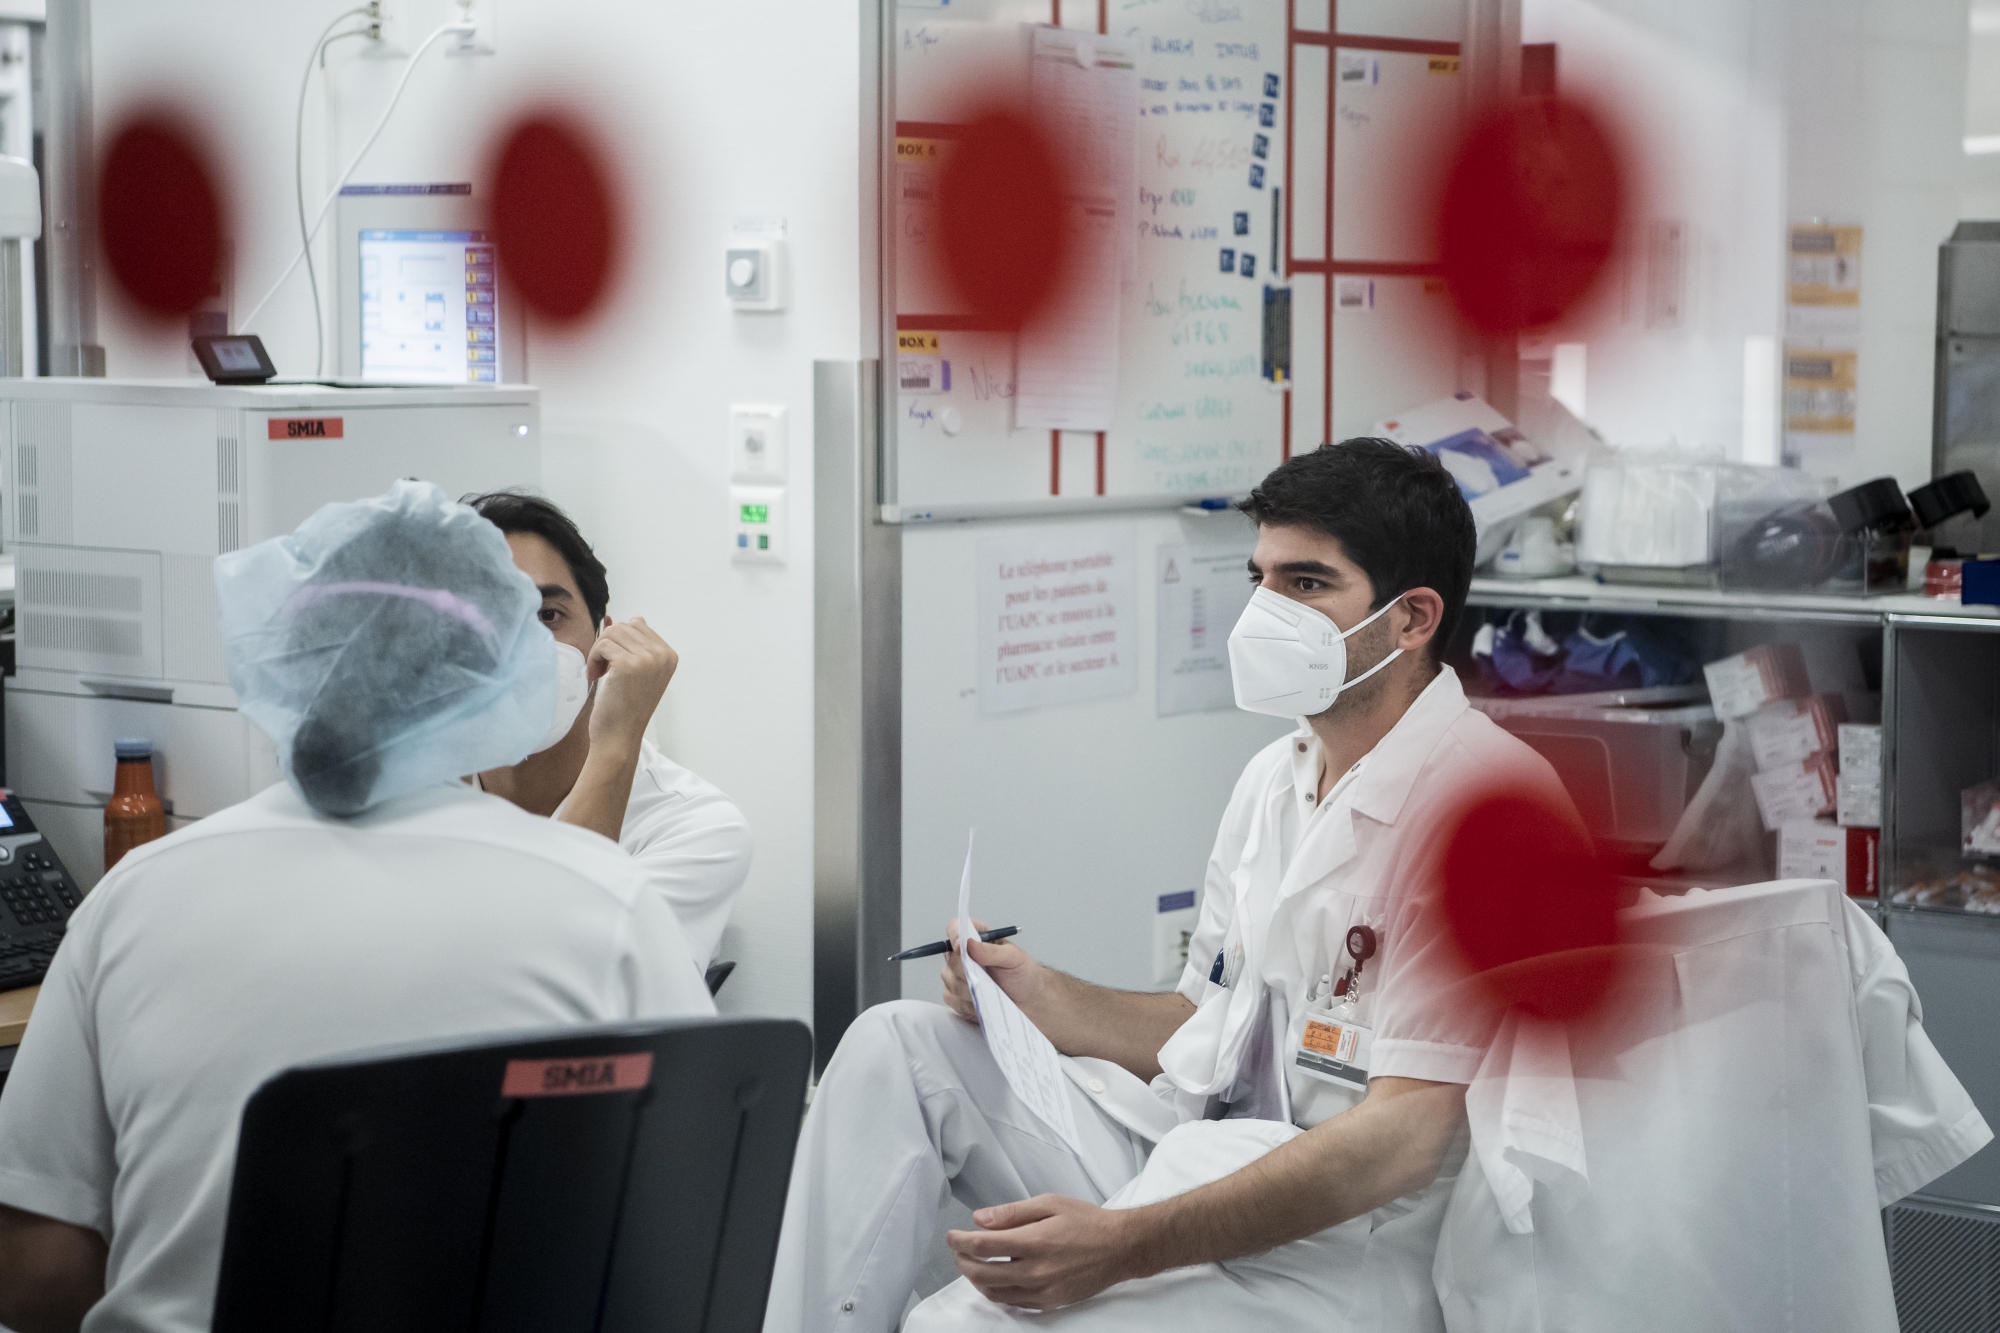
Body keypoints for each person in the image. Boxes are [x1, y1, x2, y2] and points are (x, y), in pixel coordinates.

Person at [764, 439, 1579, 1332]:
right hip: (1200, 1165)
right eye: (1259, 577)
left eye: (1306, 584)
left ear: (1411, 617)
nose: (1265, 611)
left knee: (956, 1327)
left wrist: (1122, 1242)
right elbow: (1208, 1021)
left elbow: (1401, 1141)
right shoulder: (1279, 776)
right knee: (897, 1044)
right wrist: (1039, 996)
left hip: (1352, 1249)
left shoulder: (1490, 814)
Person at [0, 481, 715, 1333]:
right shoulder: (603, 899)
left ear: (294, 658)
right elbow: (692, 1230)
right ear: (498, 665)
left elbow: (34, 1268)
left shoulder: (133, 897)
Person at [463, 491, 752, 967]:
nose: (519, 648)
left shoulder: (693, 828)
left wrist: (618, 745)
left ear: (602, 638)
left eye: (547, 616)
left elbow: (569, 975)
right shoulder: (407, 807)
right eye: (484, 619)